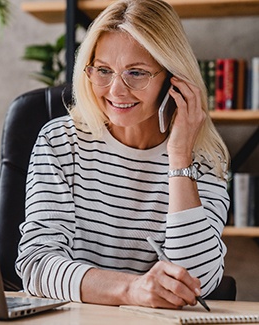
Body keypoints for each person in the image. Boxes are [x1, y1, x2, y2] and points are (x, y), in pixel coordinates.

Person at [15, 0, 230, 309]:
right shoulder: (60, 141)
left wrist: (180, 156)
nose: (116, 90)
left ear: (173, 79)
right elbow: (36, 266)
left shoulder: (205, 159)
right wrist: (131, 289)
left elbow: (193, 283)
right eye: (103, 70)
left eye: (136, 73)